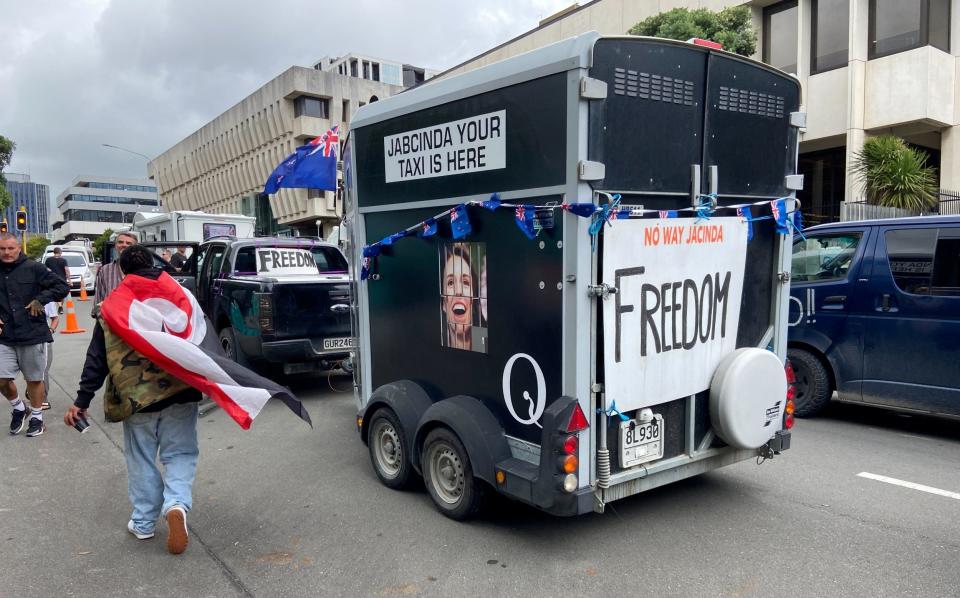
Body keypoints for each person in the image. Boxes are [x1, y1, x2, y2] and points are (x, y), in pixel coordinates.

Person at [65, 245, 199, 554]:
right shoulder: (181, 296)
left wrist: (82, 400)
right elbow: (202, 340)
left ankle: (143, 523)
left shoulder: (114, 304)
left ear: (122, 271)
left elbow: (97, 358)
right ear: (153, 263)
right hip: (182, 390)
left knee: (141, 458)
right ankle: (177, 504)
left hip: (137, 396)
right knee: (180, 453)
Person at [0, 232, 70, 437]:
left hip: (32, 333)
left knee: (34, 379)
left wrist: (42, 299)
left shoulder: (34, 268)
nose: (6, 252)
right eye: (2, 249)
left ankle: (37, 418)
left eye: (10, 248)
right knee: (2, 380)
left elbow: (61, 287)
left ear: (18, 248)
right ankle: (20, 408)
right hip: (5, 336)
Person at [440, 243, 486, 352]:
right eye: (450, 282)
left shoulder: (485, 343)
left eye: (465, 282)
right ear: (443, 304)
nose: (459, 291)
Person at [93, 231, 136, 318]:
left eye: (128, 243)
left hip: (135, 323)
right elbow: (98, 300)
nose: (124, 245)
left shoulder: (143, 271)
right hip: (111, 321)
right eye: (120, 242)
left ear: (135, 247)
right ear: (116, 246)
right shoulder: (105, 270)